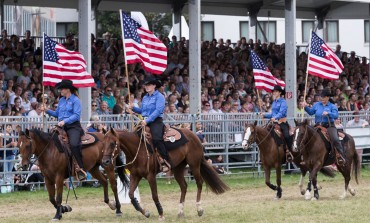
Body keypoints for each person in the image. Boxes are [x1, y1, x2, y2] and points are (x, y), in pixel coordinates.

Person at [42, 79, 87, 181]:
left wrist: (64, 121)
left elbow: (76, 115)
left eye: (61, 88)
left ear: (68, 89)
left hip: (73, 127)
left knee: (74, 144)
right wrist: (47, 110)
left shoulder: (76, 100)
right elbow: (57, 114)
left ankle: (80, 168)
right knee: (49, 141)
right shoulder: (61, 100)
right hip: (61, 127)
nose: (60, 90)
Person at [129, 76, 170, 172]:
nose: (146, 87)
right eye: (146, 85)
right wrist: (133, 108)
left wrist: (146, 121)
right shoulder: (145, 97)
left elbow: (158, 110)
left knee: (157, 138)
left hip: (155, 121)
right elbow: (143, 111)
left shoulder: (160, 96)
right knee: (134, 137)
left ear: (154, 86)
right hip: (144, 121)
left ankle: (165, 160)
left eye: (149, 85)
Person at [303, 89, 346, 165]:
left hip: (329, 126)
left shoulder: (332, 106)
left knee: (335, 139)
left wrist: (328, 113)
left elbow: (336, 115)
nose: (322, 98)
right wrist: (306, 107)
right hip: (318, 126)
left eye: (324, 97)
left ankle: (340, 156)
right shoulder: (316, 105)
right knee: (306, 136)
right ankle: (305, 157)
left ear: (328, 97)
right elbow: (310, 112)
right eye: (321, 97)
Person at [261, 85, 292, 159]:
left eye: (276, 91)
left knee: (287, 136)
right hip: (274, 123)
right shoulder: (274, 102)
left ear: (280, 92)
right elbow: (272, 113)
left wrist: (275, 117)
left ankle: (289, 151)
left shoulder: (283, 102)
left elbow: (281, 113)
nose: (274, 93)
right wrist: (265, 115)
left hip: (282, 122)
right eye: (274, 91)